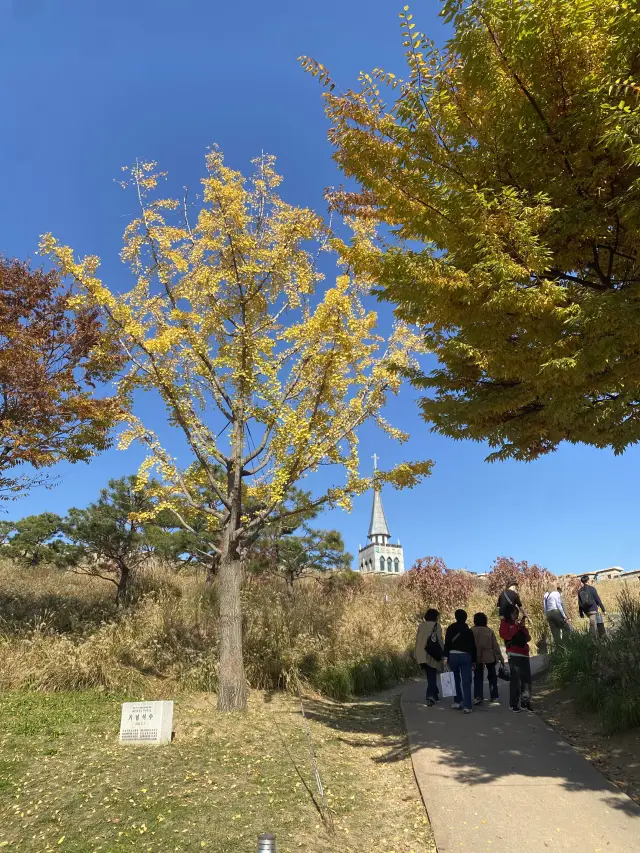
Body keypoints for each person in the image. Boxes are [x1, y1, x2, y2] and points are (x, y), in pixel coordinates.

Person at [499, 605, 532, 713]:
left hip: (524, 653)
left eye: (517, 613)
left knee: (526, 679)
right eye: (513, 613)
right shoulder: (505, 624)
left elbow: (528, 637)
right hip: (514, 654)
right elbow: (506, 636)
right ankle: (513, 704)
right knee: (515, 680)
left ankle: (525, 702)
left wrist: (522, 627)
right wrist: (516, 627)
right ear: (509, 614)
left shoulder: (518, 625)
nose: (515, 615)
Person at [444, 609, 477, 714]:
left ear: (455, 617)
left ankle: (458, 701)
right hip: (466, 656)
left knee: (455, 679)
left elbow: (447, 643)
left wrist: (445, 657)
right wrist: (474, 661)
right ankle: (467, 706)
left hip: (453, 656)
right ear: (466, 618)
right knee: (466, 681)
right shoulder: (468, 631)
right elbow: (473, 647)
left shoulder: (450, 628)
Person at [471, 612, 504, 706]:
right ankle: (494, 696)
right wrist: (500, 657)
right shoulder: (489, 631)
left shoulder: (471, 630)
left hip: (476, 656)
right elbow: (495, 646)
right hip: (489, 656)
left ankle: (478, 696)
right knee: (492, 676)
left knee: (478, 677)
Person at [414, 608, 444, 706]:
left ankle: (435, 692)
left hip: (421, 653)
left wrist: (416, 653)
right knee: (432, 674)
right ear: (435, 617)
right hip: (432, 653)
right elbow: (439, 639)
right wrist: (443, 652)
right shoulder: (437, 625)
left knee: (429, 674)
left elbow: (418, 639)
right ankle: (430, 696)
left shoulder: (421, 625)